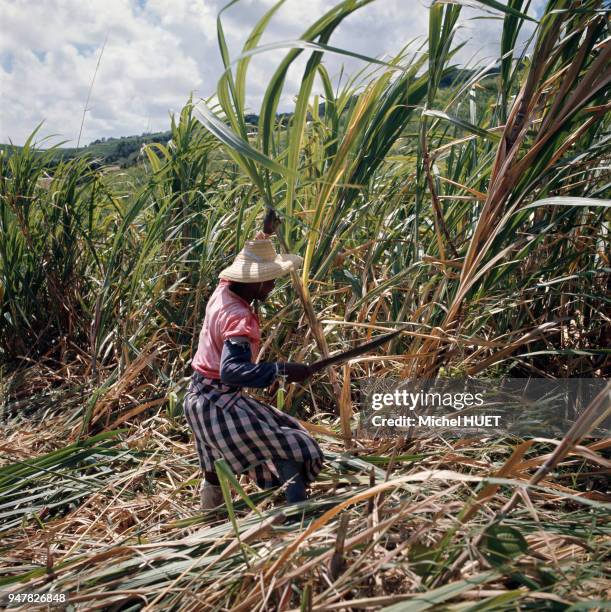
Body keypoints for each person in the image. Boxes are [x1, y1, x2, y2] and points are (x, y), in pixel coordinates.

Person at [183, 233, 324, 511]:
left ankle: (208, 519)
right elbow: (232, 372)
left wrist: (266, 233)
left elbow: (249, 262)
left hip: (195, 398)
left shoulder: (223, 290)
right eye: (269, 278)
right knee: (291, 441)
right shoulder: (239, 318)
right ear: (255, 281)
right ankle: (299, 513)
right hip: (218, 403)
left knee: (214, 467)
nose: (272, 284)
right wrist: (282, 371)